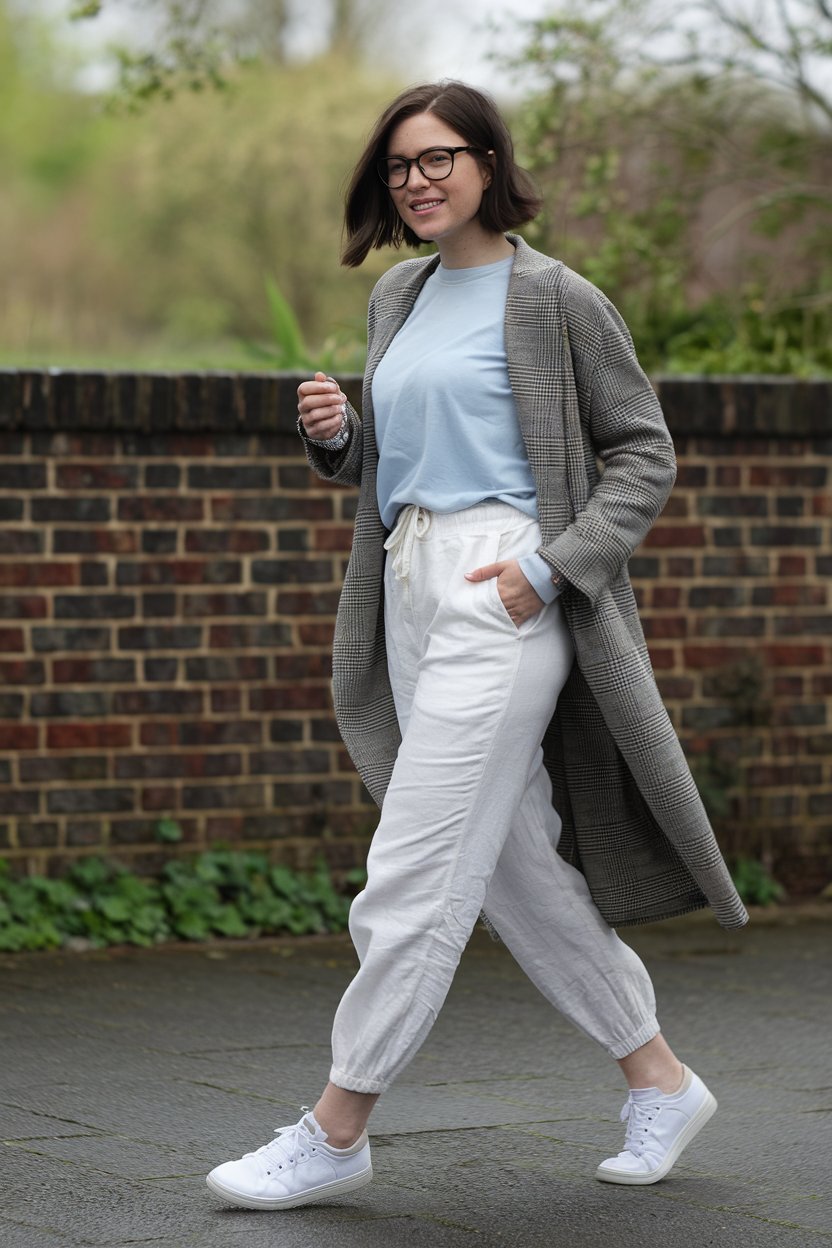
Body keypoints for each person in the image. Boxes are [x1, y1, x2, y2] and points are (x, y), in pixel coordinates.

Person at [206, 79, 748, 1212]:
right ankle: (660, 1078)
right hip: (409, 582)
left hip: (507, 586)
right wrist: (341, 437)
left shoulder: (558, 298)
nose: (417, 179)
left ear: (489, 164)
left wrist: (549, 569)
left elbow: (643, 452)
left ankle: (337, 1126)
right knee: (508, 862)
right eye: (400, 165)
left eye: (438, 157)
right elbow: (401, 463)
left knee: (413, 863)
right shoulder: (398, 296)